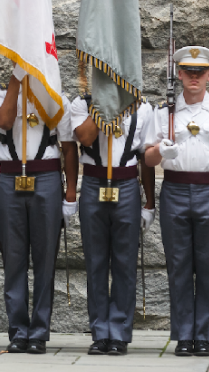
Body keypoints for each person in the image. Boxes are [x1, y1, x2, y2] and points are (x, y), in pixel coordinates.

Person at [144, 46, 209, 358]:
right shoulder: (164, 112)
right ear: (179, 75)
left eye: (200, 72)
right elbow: (147, 158)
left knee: (208, 265)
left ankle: (203, 335)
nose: (194, 77)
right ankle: (183, 335)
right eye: (188, 72)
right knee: (179, 265)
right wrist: (161, 151)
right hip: (175, 189)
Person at [0, 67, 77, 354]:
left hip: (46, 177)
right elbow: (4, 121)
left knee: (44, 258)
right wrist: (16, 80)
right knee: (13, 258)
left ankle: (38, 331)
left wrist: (70, 194)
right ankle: (18, 330)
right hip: (11, 177)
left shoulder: (55, 97)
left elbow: (69, 148)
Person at [70, 94, 156, 355]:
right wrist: (104, 105)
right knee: (95, 262)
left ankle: (118, 333)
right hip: (94, 182)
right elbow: (85, 138)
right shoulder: (83, 103)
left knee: (124, 263)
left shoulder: (142, 107)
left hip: (127, 184)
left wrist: (149, 202)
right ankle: (99, 332)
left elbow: (145, 157)